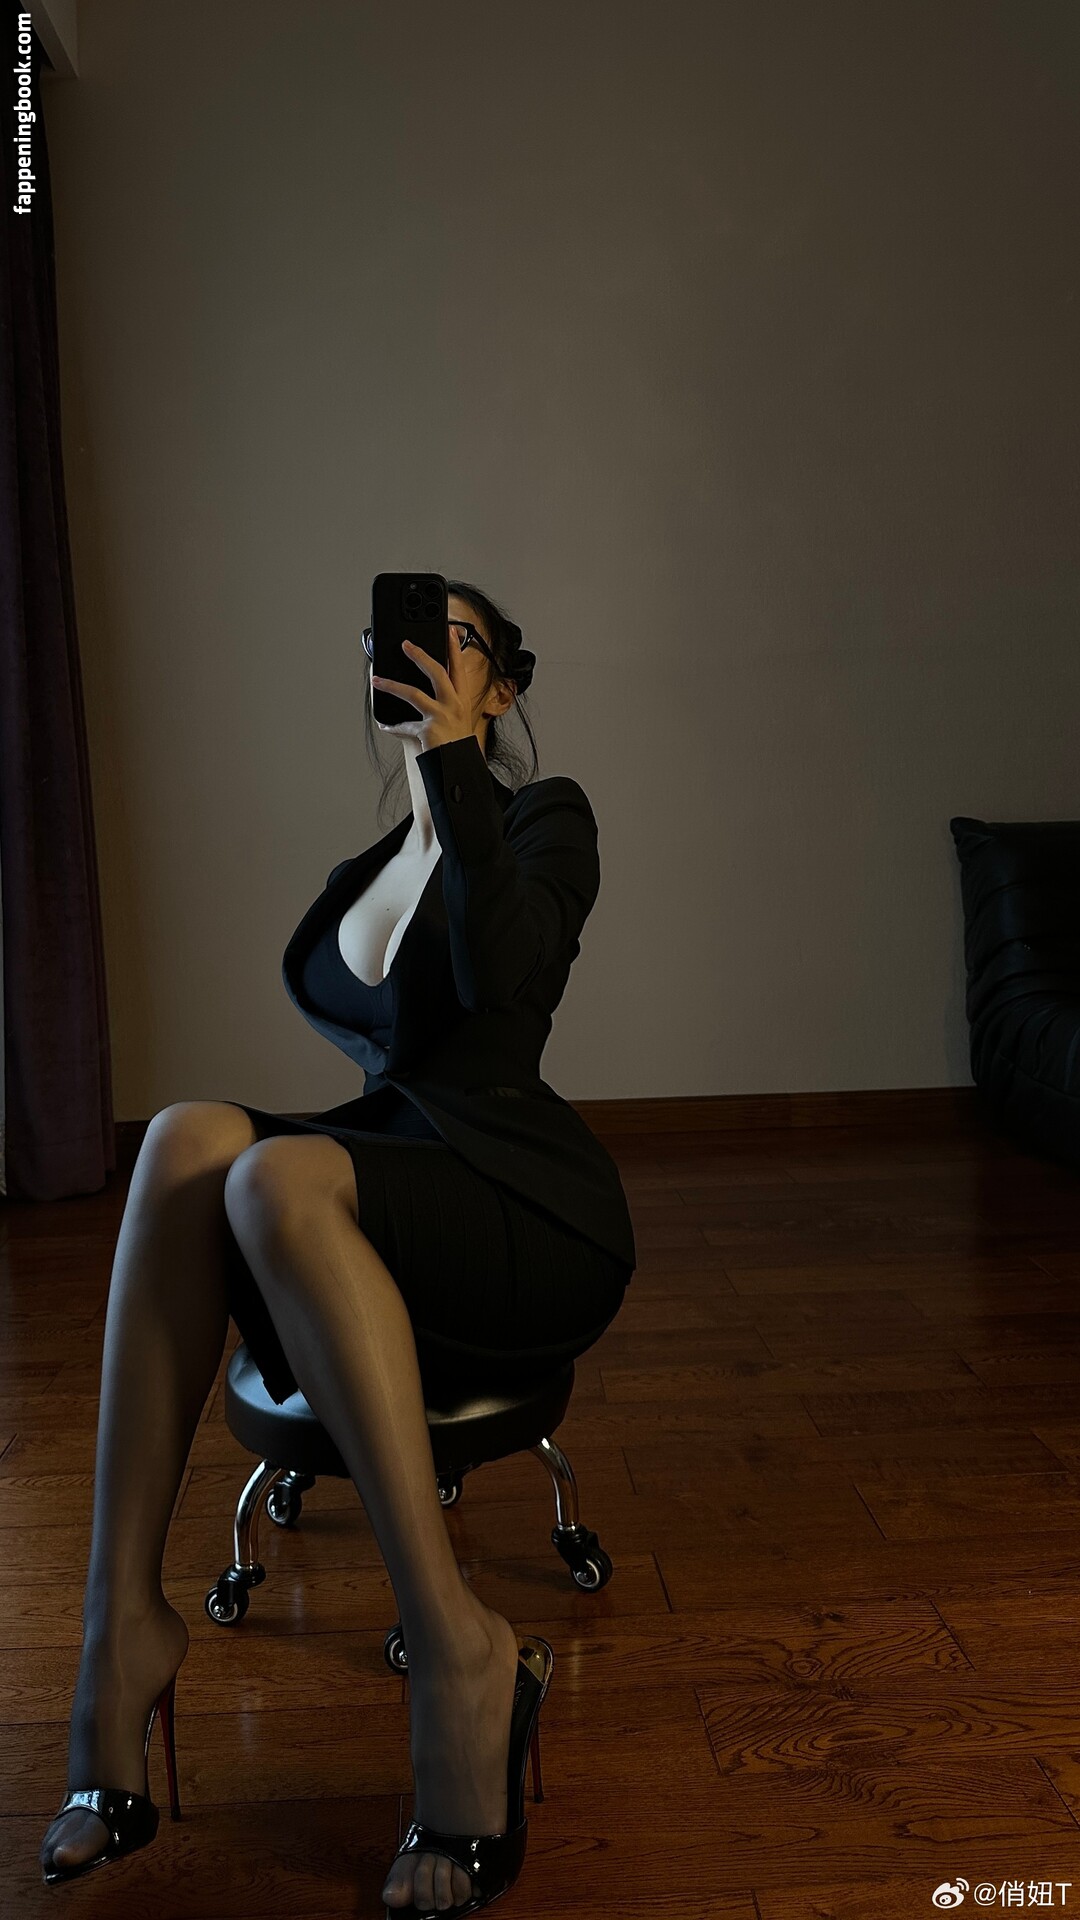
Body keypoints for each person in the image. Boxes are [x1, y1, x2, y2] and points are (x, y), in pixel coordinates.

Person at [38, 582, 636, 1916]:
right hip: (387, 1180)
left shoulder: (544, 818)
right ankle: (118, 1631)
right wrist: (429, 801)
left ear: (504, 686)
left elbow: (501, 976)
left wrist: (459, 765)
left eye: (454, 641)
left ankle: (458, 1648)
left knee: (277, 1175)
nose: (416, 656)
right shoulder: (367, 873)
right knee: (186, 1137)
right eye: (394, 642)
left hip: (521, 1206)